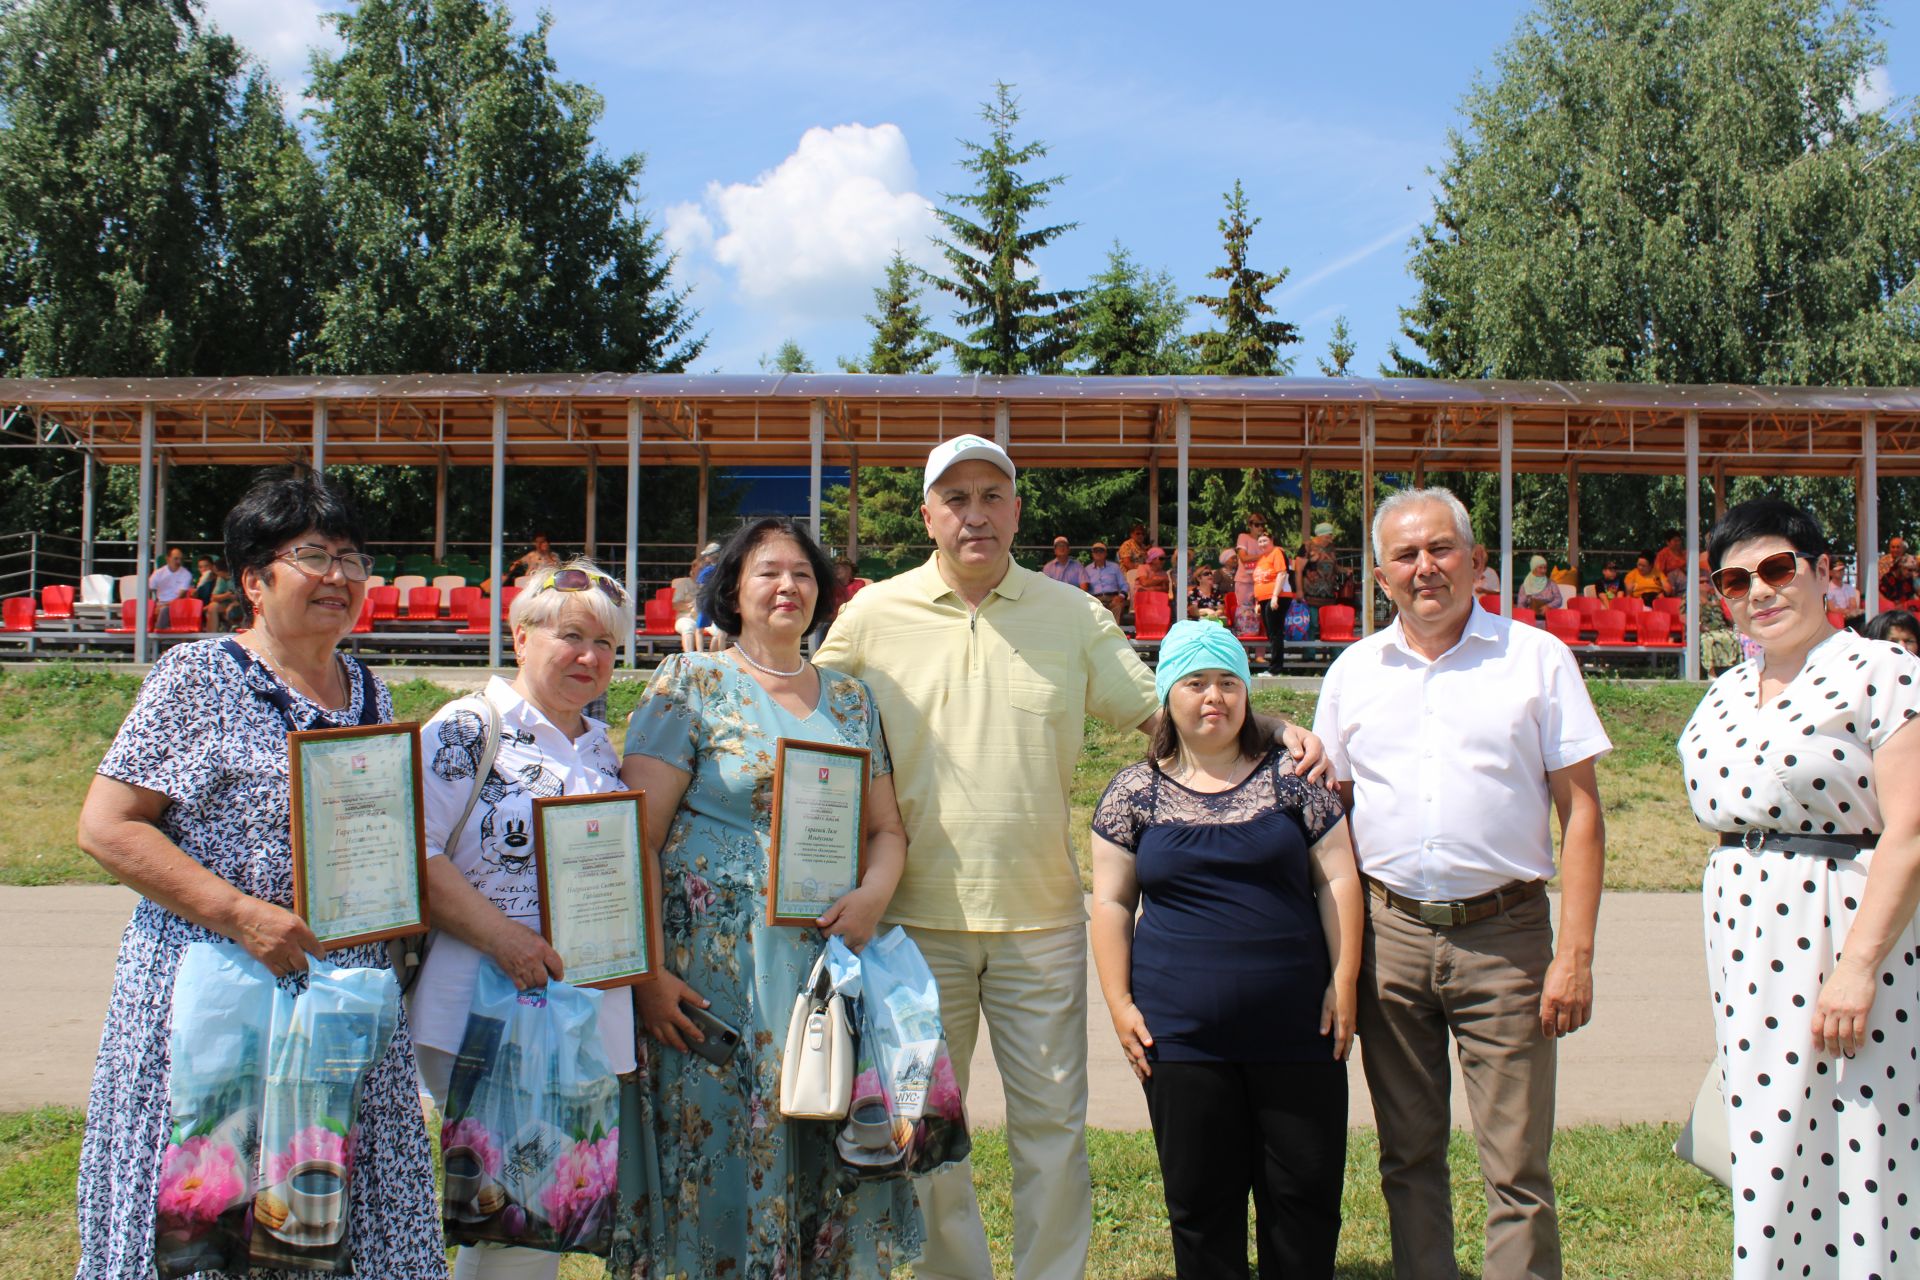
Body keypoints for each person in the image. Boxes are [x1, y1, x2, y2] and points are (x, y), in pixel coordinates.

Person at [815, 434, 1324, 1280]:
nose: (975, 513)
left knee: (1053, 1128)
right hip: (913, 922)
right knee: (931, 1133)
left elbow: (1159, 718)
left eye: (992, 495)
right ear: (928, 515)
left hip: (1042, 920)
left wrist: (1270, 730)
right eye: (957, 498)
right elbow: (808, 721)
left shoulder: (1073, 615)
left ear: (1017, 511)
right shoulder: (872, 615)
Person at [71, 468, 443, 1279]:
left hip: (340, 1005)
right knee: (211, 1221)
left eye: (353, 558)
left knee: (342, 1217)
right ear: (253, 577)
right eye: (314, 555)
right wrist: (241, 913)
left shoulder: (370, 692)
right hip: (219, 993)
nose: (339, 576)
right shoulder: (199, 678)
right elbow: (106, 826)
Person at [1312, 487, 1609, 1280]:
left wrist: (1573, 955)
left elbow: (1582, 814)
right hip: (1390, 938)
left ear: (1477, 560)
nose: (1426, 568)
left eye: (1442, 549)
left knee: (1516, 1167)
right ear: (1380, 576)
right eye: (1406, 556)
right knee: (1408, 1157)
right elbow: (1330, 820)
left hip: (1506, 940)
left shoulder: (1536, 658)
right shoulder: (1353, 673)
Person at [617, 517, 920, 1279]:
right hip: (711, 978)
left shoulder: (850, 700)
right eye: (768, 573)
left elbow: (887, 831)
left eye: (804, 575)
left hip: (821, 969)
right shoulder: (690, 683)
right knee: (714, 1145)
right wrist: (648, 977)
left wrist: (874, 897)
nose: (788, 587)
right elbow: (636, 838)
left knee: (821, 1139)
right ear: (734, 591)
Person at [1680, 498, 1920, 1277]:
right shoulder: (1723, 690)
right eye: (1734, 580)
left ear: (1825, 573)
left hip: (1848, 934)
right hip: (1749, 948)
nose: (1760, 591)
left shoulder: (1884, 671)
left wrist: (1858, 965)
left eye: (1779, 569)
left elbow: (1910, 834)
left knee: (1865, 1131)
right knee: (1771, 1138)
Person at [1090, 621, 1362, 1278]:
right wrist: (1119, 1002)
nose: (1213, 697)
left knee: (1304, 1202)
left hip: (1299, 1029)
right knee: (1201, 1207)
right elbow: (1111, 903)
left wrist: (1345, 978)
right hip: (1181, 1037)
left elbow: (1338, 878)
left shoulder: (1296, 779)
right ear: (1168, 697)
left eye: (1227, 682)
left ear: (1246, 693)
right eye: (1194, 683)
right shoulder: (1134, 791)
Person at [409, 559, 635, 1280]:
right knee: (506, 1221)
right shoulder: (471, 727)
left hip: (577, 1015)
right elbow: (407, 851)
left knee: (540, 1220)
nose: (590, 657)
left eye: (606, 645)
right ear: (520, 636)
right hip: (483, 1007)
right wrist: (504, 939)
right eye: (572, 636)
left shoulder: (598, 745)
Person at [1696, 554, 1741, 677]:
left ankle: (1734, 670)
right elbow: (1683, 617)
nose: (1705, 584)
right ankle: (1712, 673)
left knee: (1733, 637)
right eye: (1701, 582)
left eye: (1706, 581)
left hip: (1720, 628)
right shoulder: (1690, 598)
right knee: (1709, 640)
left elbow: (1725, 615)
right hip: (1703, 630)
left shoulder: (1715, 597)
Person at [1252, 533, 1289, 674]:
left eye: (1264, 540)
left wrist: (1275, 596)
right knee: (1271, 633)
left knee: (1275, 633)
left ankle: (1275, 669)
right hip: (1264, 598)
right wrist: (1258, 602)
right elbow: (1259, 579)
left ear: (1272, 541)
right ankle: (1275, 667)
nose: (1262, 544)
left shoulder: (1277, 552)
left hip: (1277, 596)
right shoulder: (1262, 558)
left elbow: (1282, 573)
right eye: (1259, 541)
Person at [1084, 540, 1129, 624]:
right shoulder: (1087, 569)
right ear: (1092, 554)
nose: (1098, 553)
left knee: (1118, 606)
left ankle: (1114, 632)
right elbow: (1084, 588)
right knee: (1092, 609)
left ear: (1105, 553)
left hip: (1113, 597)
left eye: (1101, 551)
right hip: (1095, 599)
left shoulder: (1114, 567)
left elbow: (1124, 585)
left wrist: (1121, 596)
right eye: (1096, 551)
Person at [670, 552, 703, 653]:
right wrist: (691, 605)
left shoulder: (709, 585)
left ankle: (714, 662)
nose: (703, 571)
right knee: (688, 628)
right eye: (700, 568)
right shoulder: (684, 584)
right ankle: (690, 659)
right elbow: (675, 605)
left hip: (705, 618)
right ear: (693, 568)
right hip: (686, 617)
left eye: (705, 569)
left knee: (719, 630)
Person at [1878, 536, 1918, 603]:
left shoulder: (1911, 559)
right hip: (1888, 596)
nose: (1895, 549)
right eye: (1893, 547)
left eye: (1898, 547)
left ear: (1903, 549)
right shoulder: (1883, 561)